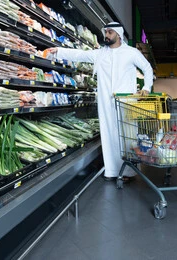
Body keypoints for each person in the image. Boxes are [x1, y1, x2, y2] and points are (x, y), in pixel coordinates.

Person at [47, 22, 154, 182]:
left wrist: (146, 87)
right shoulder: (100, 53)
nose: (107, 35)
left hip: (126, 101)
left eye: (110, 32)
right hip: (105, 101)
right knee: (108, 134)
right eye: (106, 32)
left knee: (127, 135)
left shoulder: (131, 53)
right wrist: (58, 51)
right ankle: (112, 171)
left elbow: (147, 68)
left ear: (118, 34)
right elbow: (79, 55)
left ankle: (129, 171)